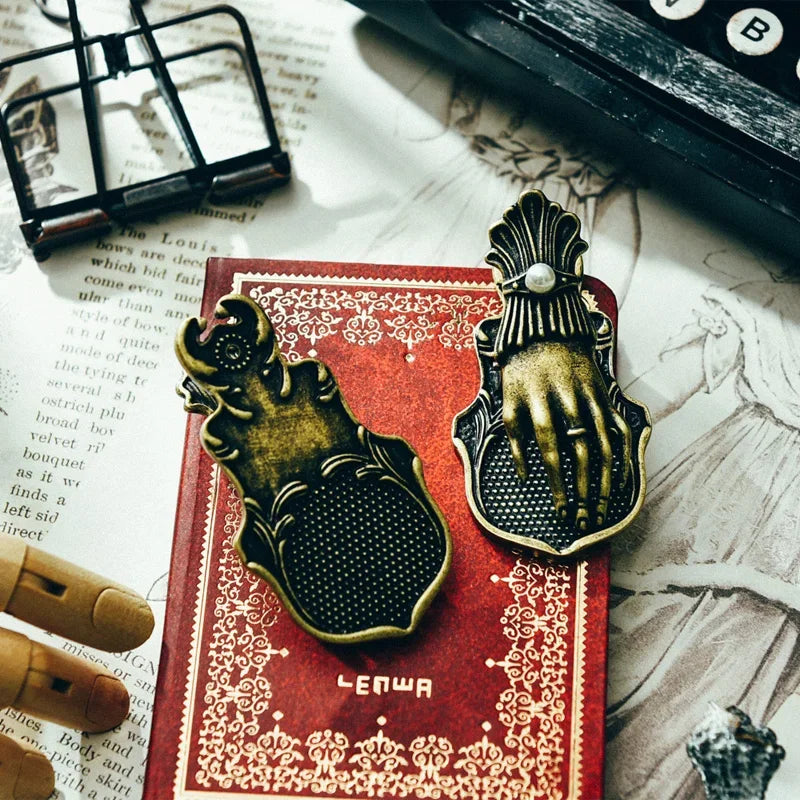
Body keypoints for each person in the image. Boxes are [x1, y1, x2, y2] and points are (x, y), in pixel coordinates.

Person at [605, 256, 800, 798]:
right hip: (721, 511)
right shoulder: (764, 304)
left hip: (786, 562)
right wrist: (598, 436)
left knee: (730, 686)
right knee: (639, 646)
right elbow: (656, 394)